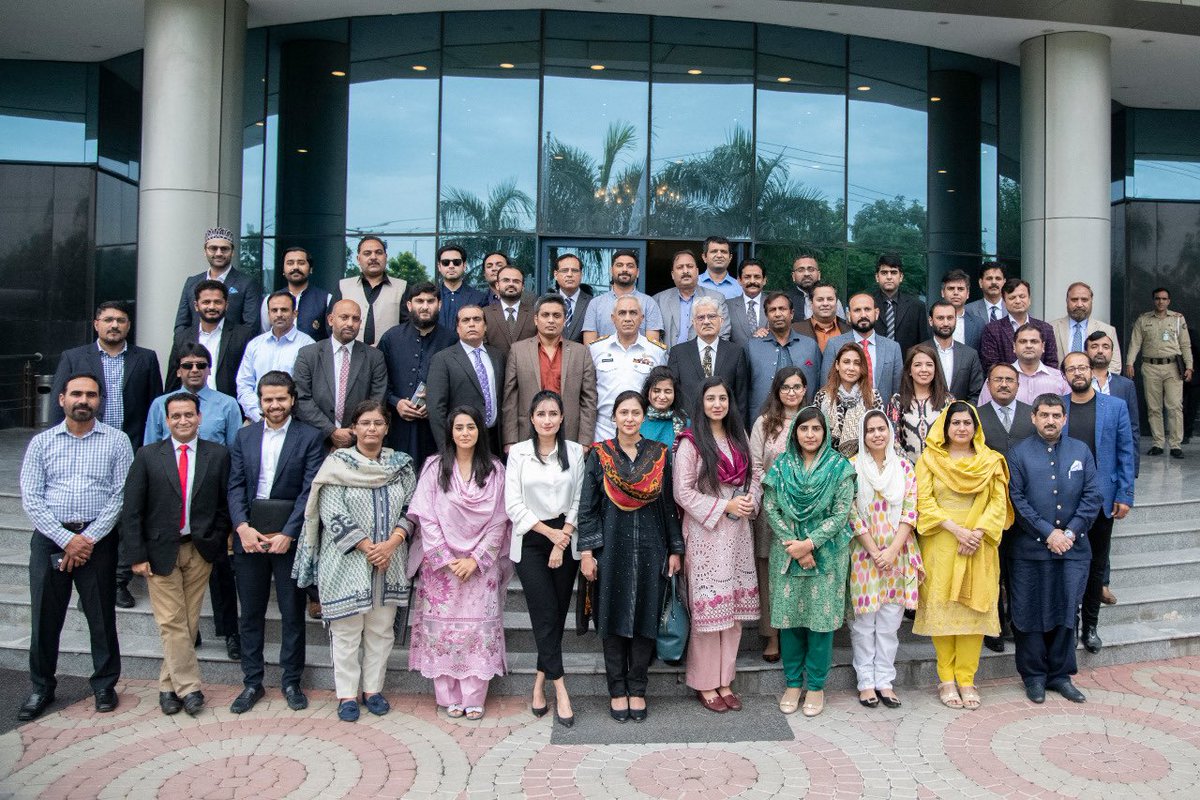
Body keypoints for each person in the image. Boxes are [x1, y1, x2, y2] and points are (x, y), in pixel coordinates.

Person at [18, 373, 134, 722]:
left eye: (91, 395)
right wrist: (66, 539)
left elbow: (120, 496)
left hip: (97, 541)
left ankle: (104, 684)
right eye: (77, 394)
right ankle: (41, 687)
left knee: (101, 616)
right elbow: (32, 497)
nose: (84, 400)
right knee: (44, 617)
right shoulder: (42, 442)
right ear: (62, 399)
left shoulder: (117, 441)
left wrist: (87, 539)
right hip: (50, 539)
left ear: (101, 400)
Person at [293, 400, 417, 722]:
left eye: (378, 423)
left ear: (387, 427)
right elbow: (332, 513)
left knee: (381, 630)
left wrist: (390, 545)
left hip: (390, 562)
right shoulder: (337, 464)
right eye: (365, 423)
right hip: (347, 563)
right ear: (354, 427)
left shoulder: (401, 466)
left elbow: (412, 510)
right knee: (347, 633)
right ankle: (347, 695)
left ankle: (373, 690)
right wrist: (369, 548)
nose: (371, 428)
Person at [120, 392, 232, 717]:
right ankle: (189, 688)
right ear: (166, 420)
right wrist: (136, 555)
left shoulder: (218, 454)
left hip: (200, 549)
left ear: (199, 417)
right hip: (159, 552)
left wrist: (216, 537)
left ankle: (167, 686)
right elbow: (132, 511)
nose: (183, 421)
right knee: (171, 621)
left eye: (188, 415)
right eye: (176, 416)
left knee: (189, 621)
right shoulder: (148, 456)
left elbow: (224, 504)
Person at [578, 391, 684, 722]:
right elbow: (588, 506)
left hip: (652, 548)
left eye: (635, 412)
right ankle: (616, 689)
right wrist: (586, 551)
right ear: (614, 418)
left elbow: (669, 505)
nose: (629, 418)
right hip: (611, 549)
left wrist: (675, 548)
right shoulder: (600, 455)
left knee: (645, 617)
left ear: (643, 416)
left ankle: (637, 688)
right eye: (623, 412)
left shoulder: (660, 454)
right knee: (610, 616)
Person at [226, 371, 325, 714]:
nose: (275, 405)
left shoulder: (310, 437)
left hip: (289, 540)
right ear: (260, 401)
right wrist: (241, 527)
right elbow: (235, 485)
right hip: (249, 539)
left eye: (281, 398)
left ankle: (291, 681)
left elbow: (310, 489)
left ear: (292, 399)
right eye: (268, 399)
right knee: (250, 615)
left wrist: (289, 533)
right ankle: (252, 682)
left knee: (292, 613)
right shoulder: (244, 436)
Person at [407, 405, 511, 721]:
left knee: (477, 631)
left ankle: (474, 697)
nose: (465, 433)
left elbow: (500, 519)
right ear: (450, 432)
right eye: (459, 427)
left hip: (480, 568)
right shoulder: (434, 468)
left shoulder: (495, 471)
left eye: (470, 427)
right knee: (444, 631)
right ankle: (447, 695)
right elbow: (426, 515)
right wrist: (447, 558)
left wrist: (476, 560)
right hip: (441, 568)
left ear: (480, 431)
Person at [144, 343, 242, 653]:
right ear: (178, 371)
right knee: (178, 577)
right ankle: (189, 632)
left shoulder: (227, 405)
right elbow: (149, 450)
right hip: (173, 501)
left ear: (210, 368)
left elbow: (234, 456)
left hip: (211, 502)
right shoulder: (161, 404)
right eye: (188, 365)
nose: (195, 370)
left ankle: (229, 633)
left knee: (221, 571)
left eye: (201, 364)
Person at [914, 402, 1013, 710]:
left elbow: (999, 504)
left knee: (973, 611)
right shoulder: (930, 459)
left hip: (979, 546)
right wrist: (957, 530)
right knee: (943, 611)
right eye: (955, 422)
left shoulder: (991, 461)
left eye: (966, 423)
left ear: (975, 427)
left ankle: (967, 679)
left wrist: (977, 533)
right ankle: (946, 679)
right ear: (945, 427)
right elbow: (922, 502)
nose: (960, 428)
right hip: (942, 542)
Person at [1007, 394, 1103, 704]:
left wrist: (1070, 532)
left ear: (1064, 418)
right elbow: (1016, 500)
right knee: (1029, 610)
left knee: (1066, 610)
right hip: (1029, 551)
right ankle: (1034, 676)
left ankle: (1060, 675)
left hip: (1073, 549)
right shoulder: (1018, 453)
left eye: (1056, 415)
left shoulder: (1081, 451)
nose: (1051, 420)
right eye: (1044, 414)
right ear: (1033, 417)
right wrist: (1049, 533)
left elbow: (1093, 496)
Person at [761, 406, 856, 717]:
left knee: (820, 624)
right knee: (789, 622)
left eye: (816, 429)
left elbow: (842, 513)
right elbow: (771, 507)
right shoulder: (781, 467)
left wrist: (810, 544)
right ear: (795, 433)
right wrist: (796, 547)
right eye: (804, 429)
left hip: (826, 554)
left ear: (825, 432)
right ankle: (792, 683)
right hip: (788, 554)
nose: (811, 435)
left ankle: (815, 686)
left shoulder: (839, 467)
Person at [674, 377, 759, 713]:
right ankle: (705, 682)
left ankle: (725, 680)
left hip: (737, 535)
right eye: (711, 398)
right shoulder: (691, 443)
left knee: (733, 612)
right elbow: (682, 492)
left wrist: (752, 501)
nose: (717, 404)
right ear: (701, 403)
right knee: (709, 612)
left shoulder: (739, 439)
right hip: (706, 534)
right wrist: (725, 506)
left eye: (722, 398)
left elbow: (754, 478)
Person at [504, 391, 586, 727]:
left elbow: (581, 497)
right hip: (531, 541)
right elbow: (513, 504)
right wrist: (549, 535)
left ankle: (538, 685)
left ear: (562, 417)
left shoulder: (576, 452)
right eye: (541, 414)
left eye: (553, 413)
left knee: (553, 617)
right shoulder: (519, 454)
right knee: (544, 612)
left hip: (566, 537)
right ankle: (561, 689)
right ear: (532, 418)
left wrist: (562, 535)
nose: (547, 419)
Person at [1060, 352, 1135, 655]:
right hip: (1065, 502)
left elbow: (1126, 452)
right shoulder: (1057, 407)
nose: (1077, 373)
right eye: (1071, 369)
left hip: (1102, 500)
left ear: (1092, 370)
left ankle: (1090, 626)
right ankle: (1071, 624)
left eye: (1082, 367)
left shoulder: (1115, 407)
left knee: (1095, 565)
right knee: (1068, 566)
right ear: (1064, 375)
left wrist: (1125, 494)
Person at [849, 410, 923, 709]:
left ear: (890, 433)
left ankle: (885, 681)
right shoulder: (853, 467)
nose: (877, 434)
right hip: (864, 553)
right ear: (863, 436)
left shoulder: (904, 468)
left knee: (890, 623)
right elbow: (851, 512)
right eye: (871, 430)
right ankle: (865, 682)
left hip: (898, 553)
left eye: (882, 429)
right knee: (864, 623)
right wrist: (873, 549)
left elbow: (910, 510)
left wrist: (892, 551)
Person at [975, 362, 1036, 654]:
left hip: (1026, 506)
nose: (1003, 384)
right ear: (988, 384)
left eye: (1009, 380)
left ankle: (1018, 622)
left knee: (1018, 568)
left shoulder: (1031, 414)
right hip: (989, 508)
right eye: (997, 379)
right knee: (992, 570)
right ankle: (994, 625)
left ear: (1018, 384)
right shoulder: (977, 417)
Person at [748, 367, 806, 663]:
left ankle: (794, 633)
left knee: (799, 571)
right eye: (786, 387)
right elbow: (755, 466)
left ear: (805, 390)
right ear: (777, 390)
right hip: (770, 508)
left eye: (797, 387)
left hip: (806, 508)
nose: (791, 392)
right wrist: (768, 494)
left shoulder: (811, 421)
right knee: (769, 571)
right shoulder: (764, 422)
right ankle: (771, 635)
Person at [51, 300, 164, 450]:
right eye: (108, 320)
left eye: (121, 320)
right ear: (96, 324)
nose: (115, 325)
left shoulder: (146, 358)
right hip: (84, 443)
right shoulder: (73, 358)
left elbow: (156, 404)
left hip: (133, 445)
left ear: (128, 325)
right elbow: (58, 405)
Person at [376, 281, 458, 466]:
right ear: (409, 305)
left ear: (440, 304)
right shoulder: (391, 338)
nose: (425, 306)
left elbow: (458, 383)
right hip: (397, 426)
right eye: (419, 301)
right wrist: (396, 402)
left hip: (435, 429)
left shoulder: (451, 340)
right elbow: (379, 381)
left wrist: (435, 399)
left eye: (431, 301)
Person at [502, 294, 597, 450]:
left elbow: (589, 399)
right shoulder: (518, 350)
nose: (551, 320)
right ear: (536, 319)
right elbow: (510, 399)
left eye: (557, 315)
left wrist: (585, 441)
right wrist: (510, 440)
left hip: (569, 435)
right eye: (545, 315)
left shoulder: (581, 352)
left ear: (564, 320)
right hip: (527, 434)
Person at [293, 299, 388, 448]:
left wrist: (354, 431)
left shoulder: (374, 357)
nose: (350, 323)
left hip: (358, 442)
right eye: (344, 317)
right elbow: (301, 398)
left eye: (355, 319)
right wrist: (331, 430)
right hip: (315, 440)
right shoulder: (308, 354)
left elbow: (377, 400)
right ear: (331, 320)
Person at [426, 304, 506, 455]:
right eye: (465, 320)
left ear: (485, 326)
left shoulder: (498, 356)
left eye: (477, 319)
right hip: (461, 442)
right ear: (457, 328)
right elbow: (436, 408)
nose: (471, 324)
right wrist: (446, 448)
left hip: (494, 440)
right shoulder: (443, 359)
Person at [1125, 286, 1193, 458]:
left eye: (1164, 299)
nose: (1160, 301)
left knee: (1174, 406)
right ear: (1153, 300)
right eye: (1157, 298)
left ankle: (1176, 444)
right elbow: (1135, 343)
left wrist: (1189, 366)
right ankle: (1158, 443)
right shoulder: (1143, 319)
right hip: (1150, 367)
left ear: (1168, 301)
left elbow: (1185, 344)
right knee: (1154, 407)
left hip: (1172, 367)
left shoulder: (1177, 319)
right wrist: (1129, 362)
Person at [589, 295, 668, 442]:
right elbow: (587, 392)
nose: (627, 318)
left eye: (633, 313)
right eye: (622, 313)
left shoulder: (656, 351)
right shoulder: (596, 349)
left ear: (642, 318)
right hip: (604, 431)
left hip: (643, 431)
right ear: (613, 318)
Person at [667, 295, 750, 424]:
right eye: (700, 317)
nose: (706, 321)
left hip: (725, 427)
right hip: (689, 427)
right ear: (693, 323)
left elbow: (741, 399)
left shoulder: (736, 353)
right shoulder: (678, 353)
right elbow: (673, 394)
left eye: (711, 316)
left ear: (721, 321)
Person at [236, 290, 316, 422]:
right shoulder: (255, 345)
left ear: (295, 313)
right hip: (257, 419)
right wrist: (258, 414)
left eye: (284, 310)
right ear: (268, 314)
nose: (279, 314)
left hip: (295, 421)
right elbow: (244, 384)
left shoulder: (308, 345)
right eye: (274, 310)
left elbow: (309, 390)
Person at [166, 279, 253, 399]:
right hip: (188, 409)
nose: (212, 307)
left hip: (228, 407)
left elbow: (249, 378)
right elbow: (173, 380)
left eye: (217, 302)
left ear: (226, 305)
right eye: (206, 302)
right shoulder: (182, 337)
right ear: (196, 306)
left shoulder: (243, 335)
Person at [745, 291, 822, 414]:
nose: (777, 314)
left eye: (782, 309)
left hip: (803, 421)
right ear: (766, 315)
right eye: (772, 310)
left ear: (791, 314)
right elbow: (742, 390)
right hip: (763, 418)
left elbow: (820, 385)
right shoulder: (752, 347)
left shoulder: (810, 346)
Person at [174, 226, 262, 333]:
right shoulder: (192, 282)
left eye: (224, 249)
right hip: (194, 347)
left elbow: (251, 327)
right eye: (213, 248)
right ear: (205, 251)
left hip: (231, 348)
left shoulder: (247, 283)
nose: (219, 253)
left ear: (232, 252)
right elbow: (181, 324)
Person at [823, 293, 903, 404]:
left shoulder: (893, 348)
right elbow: (827, 387)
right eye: (857, 310)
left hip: (882, 418)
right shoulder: (834, 345)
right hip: (844, 417)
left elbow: (897, 392)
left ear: (876, 313)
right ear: (849, 315)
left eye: (867, 309)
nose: (863, 315)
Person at [333, 235, 406, 345]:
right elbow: (331, 324)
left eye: (378, 253)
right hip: (350, 356)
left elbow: (408, 328)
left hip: (389, 356)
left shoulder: (402, 287)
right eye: (367, 253)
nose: (373, 257)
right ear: (358, 259)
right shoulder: (343, 287)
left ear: (386, 257)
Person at [581, 250, 665, 344]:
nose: (625, 269)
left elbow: (652, 346)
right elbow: (589, 346)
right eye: (619, 265)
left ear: (637, 272)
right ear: (611, 271)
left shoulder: (649, 303)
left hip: (639, 358)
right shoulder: (595, 304)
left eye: (630, 266)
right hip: (604, 358)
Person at [814, 342, 882, 457]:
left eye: (857, 363)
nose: (851, 368)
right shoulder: (822, 396)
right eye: (846, 362)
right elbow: (816, 431)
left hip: (863, 461)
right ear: (837, 365)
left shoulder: (872, 396)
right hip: (828, 462)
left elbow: (879, 431)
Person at [888, 344, 953, 463]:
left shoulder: (948, 400)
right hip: (909, 473)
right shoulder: (897, 401)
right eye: (918, 365)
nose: (924, 369)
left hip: (942, 470)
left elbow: (953, 439)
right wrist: (910, 469)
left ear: (935, 370)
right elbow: (893, 441)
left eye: (929, 365)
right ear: (909, 371)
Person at [977, 324, 1069, 406]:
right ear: (1014, 347)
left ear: (1043, 346)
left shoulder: (1060, 378)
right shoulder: (996, 378)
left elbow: (1067, 415)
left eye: (1034, 341)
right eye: (1023, 341)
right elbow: (984, 413)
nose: (1028, 345)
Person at [653, 249, 731, 345]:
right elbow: (653, 338)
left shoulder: (717, 298)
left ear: (697, 271)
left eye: (690, 266)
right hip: (668, 358)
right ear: (673, 274)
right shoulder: (658, 300)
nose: (685, 271)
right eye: (680, 267)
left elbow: (723, 335)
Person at [979, 278, 1057, 372]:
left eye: (1022, 296)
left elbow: (1052, 363)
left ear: (1029, 299)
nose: (1018, 301)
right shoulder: (992, 329)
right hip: (1005, 383)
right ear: (1004, 302)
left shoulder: (1046, 328)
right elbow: (990, 365)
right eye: (1012, 298)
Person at [260, 247, 331, 339]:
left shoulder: (326, 299)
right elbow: (265, 332)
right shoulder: (270, 300)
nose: (295, 267)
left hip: (315, 353)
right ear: (283, 269)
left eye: (301, 263)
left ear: (311, 269)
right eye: (290, 263)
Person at [1050, 282, 1122, 371]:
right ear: (1067, 301)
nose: (1079, 304)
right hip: (1059, 383)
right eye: (1074, 299)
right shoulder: (1051, 328)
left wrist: (1093, 383)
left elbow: (1115, 365)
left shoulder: (1108, 330)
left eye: (1084, 300)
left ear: (1091, 301)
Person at [927, 299, 984, 404]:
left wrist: (963, 415)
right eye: (940, 318)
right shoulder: (918, 352)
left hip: (962, 417)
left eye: (950, 318)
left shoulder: (970, 355)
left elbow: (977, 393)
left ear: (956, 320)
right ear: (931, 321)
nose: (945, 323)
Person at [871, 253, 929, 356]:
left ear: (901, 277)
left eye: (893, 272)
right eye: (884, 273)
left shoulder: (917, 306)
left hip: (906, 366)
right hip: (873, 365)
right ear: (877, 277)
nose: (889, 277)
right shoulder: (868, 304)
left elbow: (923, 343)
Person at [483, 265, 538, 357]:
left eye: (516, 281)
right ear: (497, 285)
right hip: (496, 369)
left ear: (523, 287)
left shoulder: (535, 314)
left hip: (526, 369)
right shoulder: (484, 314)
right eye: (506, 280)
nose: (511, 284)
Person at [435, 244, 489, 330]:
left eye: (456, 262)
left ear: (464, 266)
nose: (451, 266)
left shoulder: (479, 298)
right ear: (439, 267)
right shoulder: (431, 297)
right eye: (446, 262)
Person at [792, 281, 851, 354]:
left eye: (830, 299)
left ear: (836, 302)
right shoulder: (795, 330)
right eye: (820, 300)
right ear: (811, 303)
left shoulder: (849, 330)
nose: (825, 303)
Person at [785, 253, 845, 321]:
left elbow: (841, 326)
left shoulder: (831, 299)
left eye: (811, 269)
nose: (806, 274)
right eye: (801, 270)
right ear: (793, 276)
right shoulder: (785, 300)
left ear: (819, 275)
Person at [640, 366, 688, 447]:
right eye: (656, 391)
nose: (662, 397)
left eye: (667, 392)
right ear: (648, 392)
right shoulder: (637, 421)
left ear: (675, 394)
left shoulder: (684, 423)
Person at [939, 269, 984, 351]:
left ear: (967, 294)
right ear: (942, 292)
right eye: (951, 288)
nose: (956, 293)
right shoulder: (929, 321)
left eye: (960, 289)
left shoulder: (978, 324)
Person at [552, 252, 593, 343]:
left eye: (574, 271)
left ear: (581, 274)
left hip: (581, 355)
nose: (570, 274)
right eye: (565, 270)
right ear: (555, 275)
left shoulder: (592, 303)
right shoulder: (546, 302)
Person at [727, 258, 768, 347]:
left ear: (764, 280)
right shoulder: (727, 306)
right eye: (747, 277)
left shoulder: (774, 304)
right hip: (737, 359)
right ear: (739, 280)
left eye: (757, 277)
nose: (752, 281)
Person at [963, 262, 1007, 329]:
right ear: (980, 283)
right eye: (989, 278)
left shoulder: (1013, 309)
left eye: (998, 278)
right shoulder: (967, 310)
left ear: (1004, 282)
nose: (994, 282)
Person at [697, 235, 742, 299]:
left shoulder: (740, 287)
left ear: (730, 258)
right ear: (704, 257)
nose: (719, 255)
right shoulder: (694, 284)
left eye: (723, 252)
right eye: (714, 251)